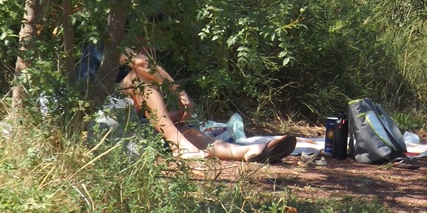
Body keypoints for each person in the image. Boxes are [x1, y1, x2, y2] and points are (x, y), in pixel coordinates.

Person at [116, 43, 296, 163]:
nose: (151, 46)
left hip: (130, 127)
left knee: (189, 132)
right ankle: (178, 145)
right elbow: (141, 63)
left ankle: (247, 152)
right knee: (138, 78)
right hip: (108, 126)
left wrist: (167, 118)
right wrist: (180, 93)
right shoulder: (107, 40)